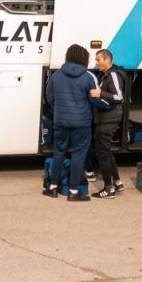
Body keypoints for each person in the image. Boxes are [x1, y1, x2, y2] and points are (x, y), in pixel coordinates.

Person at [44, 44, 104, 201]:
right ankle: (74, 192)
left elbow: (49, 97)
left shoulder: (56, 75)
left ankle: (52, 188)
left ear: (68, 56)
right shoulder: (89, 77)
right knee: (78, 155)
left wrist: (58, 111)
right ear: (84, 59)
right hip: (81, 123)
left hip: (61, 121)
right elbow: (94, 99)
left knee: (59, 153)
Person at [90, 49, 126, 198]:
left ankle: (108, 189)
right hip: (104, 118)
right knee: (107, 151)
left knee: (102, 153)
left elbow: (119, 97)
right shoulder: (105, 75)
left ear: (107, 59)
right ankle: (117, 182)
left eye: (98, 60)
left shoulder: (113, 74)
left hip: (109, 119)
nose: (96, 62)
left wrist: (100, 94)